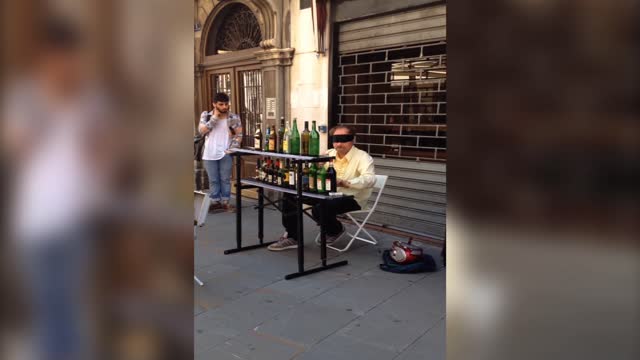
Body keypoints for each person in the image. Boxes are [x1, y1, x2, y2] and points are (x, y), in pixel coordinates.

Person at [268, 125, 376, 251]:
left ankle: (335, 230)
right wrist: (315, 165)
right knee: (290, 195)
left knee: (319, 208)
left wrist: (347, 183)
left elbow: (370, 179)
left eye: (344, 139)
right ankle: (293, 237)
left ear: (353, 140)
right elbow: (313, 170)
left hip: (351, 198)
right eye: (336, 140)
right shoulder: (329, 154)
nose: (339, 144)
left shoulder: (363, 157)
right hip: (325, 194)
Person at [197, 92, 243, 212]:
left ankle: (226, 202)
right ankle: (215, 201)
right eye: (221, 104)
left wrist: (231, 149)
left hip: (225, 153)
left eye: (226, 104)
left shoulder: (234, 117)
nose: (224, 107)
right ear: (214, 104)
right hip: (209, 153)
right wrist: (214, 118)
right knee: (213, 179)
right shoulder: (206, 115)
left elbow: (239, 135)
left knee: (225, 179)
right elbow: (202, 131)